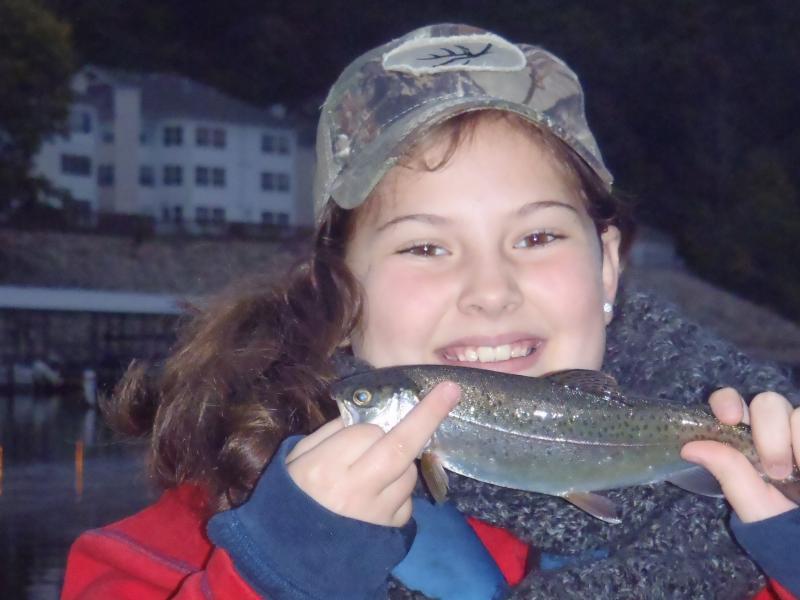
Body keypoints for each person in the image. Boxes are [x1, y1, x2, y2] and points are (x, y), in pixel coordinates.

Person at [62, 23, 799, 600]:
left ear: (607, 264)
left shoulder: (770, 507)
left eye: (537, 236)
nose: (489, 289)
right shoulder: (177, 551)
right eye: (423, 248)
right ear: (339, 298)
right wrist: (280, 575)